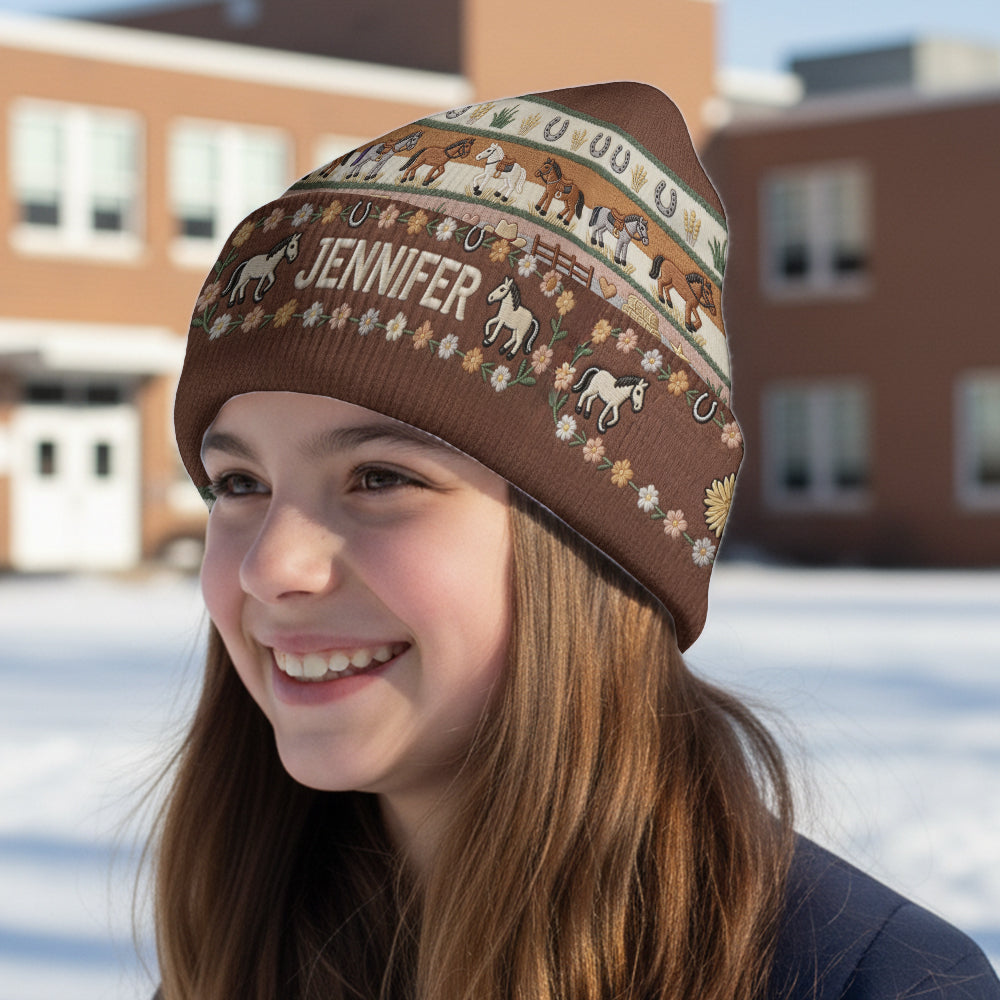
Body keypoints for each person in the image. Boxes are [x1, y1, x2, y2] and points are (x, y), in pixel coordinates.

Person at [158, 82, 999, 1000]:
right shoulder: (244, 948)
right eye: (238, 483)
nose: (272, 565)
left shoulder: (874, 984)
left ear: (594, 546)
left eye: (381, 478)